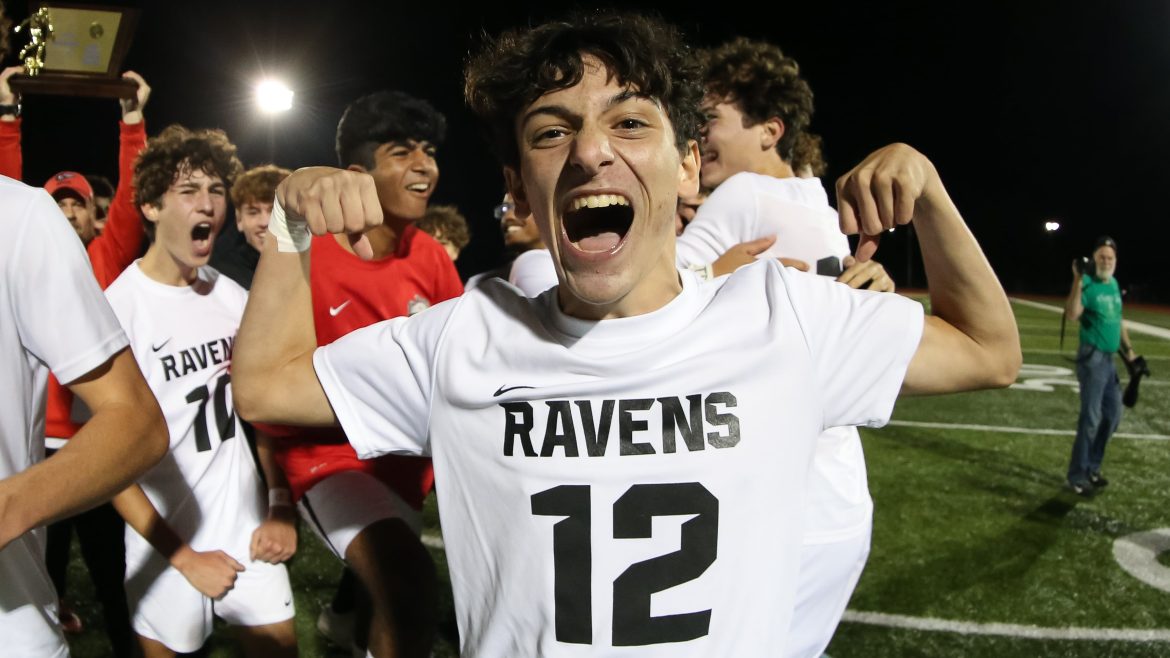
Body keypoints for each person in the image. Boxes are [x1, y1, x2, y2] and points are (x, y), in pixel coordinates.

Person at [233, 11, 1020, 656]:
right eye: (550, 133)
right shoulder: (465, 338)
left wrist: (929, 193)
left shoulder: (785, 318)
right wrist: (292, 228)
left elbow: (990, 352)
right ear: (518, 188)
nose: (591, 151)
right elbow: (265, 387)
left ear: (688, 167)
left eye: (631, 122)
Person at [683, 37, 897, 656]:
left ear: (770, 130)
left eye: (710, 119)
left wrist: (708, 273)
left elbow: (643, 309)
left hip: (776, 510)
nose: (696, 135)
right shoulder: (818, 202)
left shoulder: (744, 195)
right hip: (839, 497)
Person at [259, 90, 461, 658]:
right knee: (407, 582)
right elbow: (262, 385)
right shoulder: (308, 255)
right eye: (401, 152)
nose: (424, 166)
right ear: (356, 174)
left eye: (428, 151)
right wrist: (277, 498)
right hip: (331, 460)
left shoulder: (431, 256)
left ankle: (341, 623)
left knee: (386, 596)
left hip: (405, 461)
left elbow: (455, 359)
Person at [105, 125, 297, 657]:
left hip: (248, 532)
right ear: (150, 206)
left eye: (215, 190)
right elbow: (108, 467)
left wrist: (280, 505)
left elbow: (261, 412)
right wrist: (184, 558)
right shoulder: (117, 311)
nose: (208, 203)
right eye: (188, 191)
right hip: (165, 545)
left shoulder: (231, 296)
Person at [3, 65, 151, 654]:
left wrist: (132, 121)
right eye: (58, 201)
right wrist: (8, 117)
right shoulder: (25, 235)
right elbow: (8, 183)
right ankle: (55, 612)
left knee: (109, 570)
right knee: (48, 568)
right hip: (40, 450)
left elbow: (132, 201)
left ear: (94, 216)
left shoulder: (104, 256)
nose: (66, 212)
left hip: (93, 451)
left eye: (77, 204)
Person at [1064, 236, 1138, 496]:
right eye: (1102, 257)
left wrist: (1130, 352)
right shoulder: (1087, 283)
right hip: (1092, 358)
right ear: (1094, 259)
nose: (1106, 261)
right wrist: (1077, 279)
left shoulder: (1114, 284)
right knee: (1091, 418)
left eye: (1110, 258)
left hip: (1109, 359)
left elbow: (1118, 319)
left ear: (1115, 260)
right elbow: (1072, 314)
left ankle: (1092, 468)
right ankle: (1076, 476)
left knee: (1112, 416)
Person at [211, 163, 292, 289]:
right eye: (253, 212)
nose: (265, 222)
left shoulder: (316, 267)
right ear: (239, 220)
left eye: (274, 211)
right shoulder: (219, 279)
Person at [467, 192, 558, 295]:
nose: (507, 217)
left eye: (521, 206)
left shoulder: (572, 269)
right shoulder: (477, 284)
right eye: (504, 209)